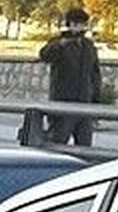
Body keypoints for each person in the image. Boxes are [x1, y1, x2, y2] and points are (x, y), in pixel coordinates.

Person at [38, 8, 103, 146]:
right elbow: (44, 55)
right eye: (80, 24)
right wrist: (61, 44)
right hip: (63, 102)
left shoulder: (88, 45)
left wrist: (96, 99)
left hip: (85, 103)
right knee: (58, 142)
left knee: (85, 145)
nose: (83, 28)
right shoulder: (58, 42)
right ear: (72, 24)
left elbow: (95, 74)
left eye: (84, 24)